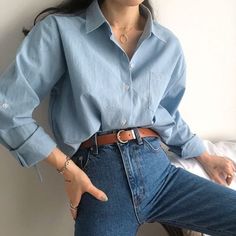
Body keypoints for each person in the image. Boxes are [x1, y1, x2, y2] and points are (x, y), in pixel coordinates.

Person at [0, 0, 236, 235]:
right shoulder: (60, 32)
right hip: (99, 183)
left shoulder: (167, 45)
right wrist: (67, 169)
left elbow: (166, 115)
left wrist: (204, 156)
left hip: (160, 174)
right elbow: (8, 108)